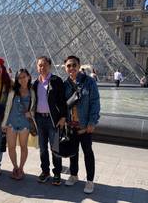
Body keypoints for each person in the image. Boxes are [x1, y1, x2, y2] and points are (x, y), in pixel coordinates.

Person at [63, 56, 100, 194]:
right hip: (71, 125)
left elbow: (95, 103)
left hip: (85, 125)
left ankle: (90, 181)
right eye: (68, 66)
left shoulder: (89, 82)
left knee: (88, 153)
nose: (71, 68)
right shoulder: (65, 84)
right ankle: (74, 175)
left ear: (79, 66)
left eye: (74, 65)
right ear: (65, 68)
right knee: (73, 152)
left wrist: (92, 122)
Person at [32, 56, 67, 185]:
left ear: (50, 66)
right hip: (40, 120)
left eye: (44, 65)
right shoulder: (36, 83)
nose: (42, 67)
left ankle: (57, 173)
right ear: (37, 67)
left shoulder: (56, 81)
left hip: (53, 120)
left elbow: (63, 101)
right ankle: (45, 171)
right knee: (42, 148)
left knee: (55, 148)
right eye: (40, 65)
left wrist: (63, 117)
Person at [1, 69, 36, 180]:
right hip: (11, 122)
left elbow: (35, 106)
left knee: (23, 147)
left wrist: (31, 113)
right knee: (11, 147)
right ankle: (15, 167)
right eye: (19, 77)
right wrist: (4, 123)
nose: (22, 79)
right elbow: (7, 108)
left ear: (29, 77)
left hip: (25, 123)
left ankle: (21, 168)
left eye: (24, 76)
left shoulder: (32, 92)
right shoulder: (13, 91)